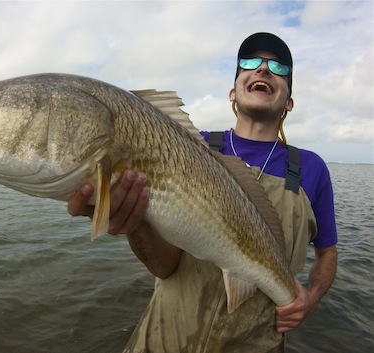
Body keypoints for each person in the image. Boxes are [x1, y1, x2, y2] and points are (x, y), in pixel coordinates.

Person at [67, 32, 338, 352]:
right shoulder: (184, 146)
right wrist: (135, 221)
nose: (263, 70)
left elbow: (327, 253)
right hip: (164, 341)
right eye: (249, 63)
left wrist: (311, 297)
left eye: (278, 68)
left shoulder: (312, 168)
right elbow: (165, 268)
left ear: (289, 101)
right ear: (232, 92)